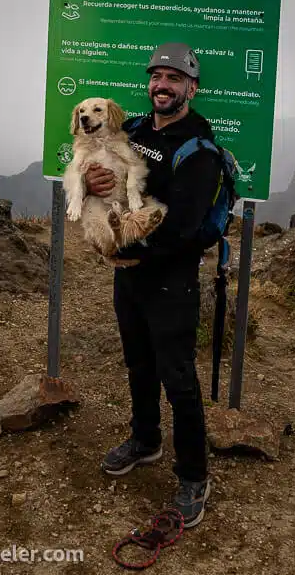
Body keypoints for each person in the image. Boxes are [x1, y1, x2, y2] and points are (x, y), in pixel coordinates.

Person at [83, 41, 223, 528]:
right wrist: (95, 185)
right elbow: (99, 170)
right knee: (138, 362)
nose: (161, 86)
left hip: (170, 279)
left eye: (173, 79)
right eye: (156, 77)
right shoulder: (134, 130)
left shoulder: (198, 149)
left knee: (178, 377)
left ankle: (192, 476)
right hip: (131, 275)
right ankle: (145, 440)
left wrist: (127, 253)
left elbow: (184, 228)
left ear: (191, 88)